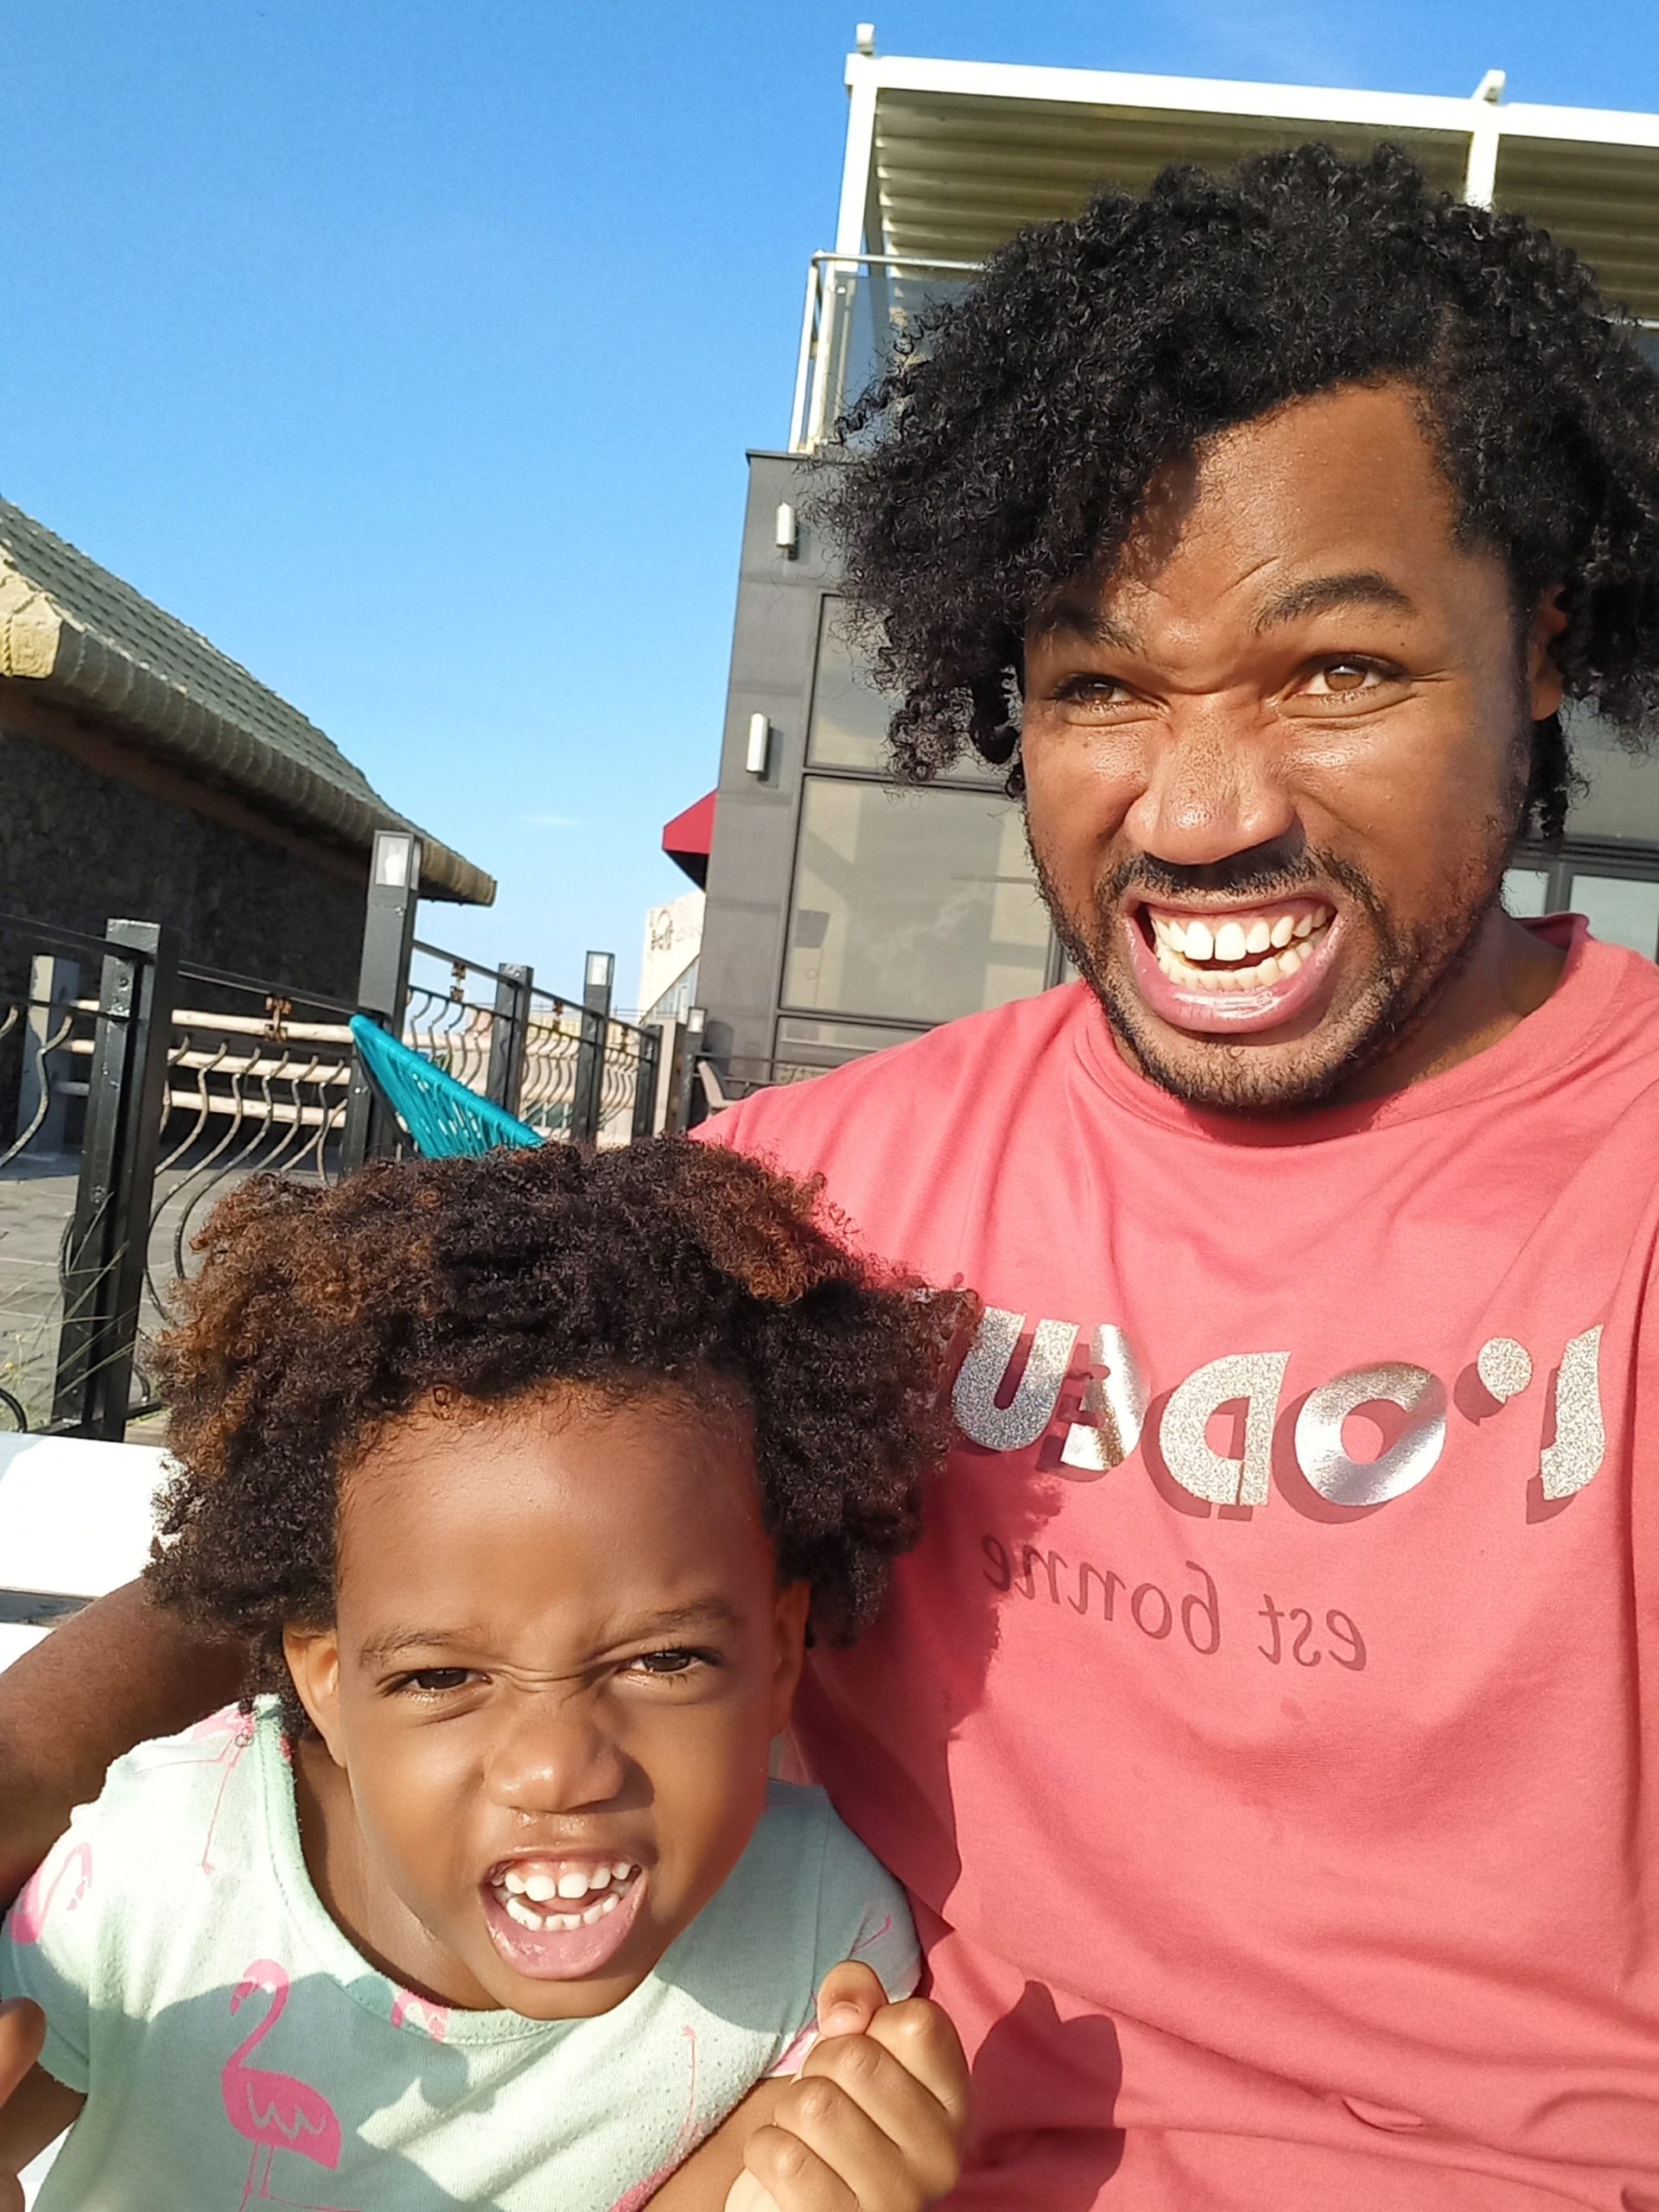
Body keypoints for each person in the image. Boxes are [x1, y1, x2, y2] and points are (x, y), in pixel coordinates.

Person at [3, 137, 1659, 2208]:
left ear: (1541, 649)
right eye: (1101, 688)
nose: (1205, 807)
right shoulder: (813, 1200)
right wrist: (27, 1768)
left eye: (1340, 670)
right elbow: (374, 1501)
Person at [0, 1142, 969, 2210]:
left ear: (780, 1653)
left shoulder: (820, 1937)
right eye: (442, 1677)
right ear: (323, 1679)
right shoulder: (154, 1874)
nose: (557, 1769)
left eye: (662, 1658)